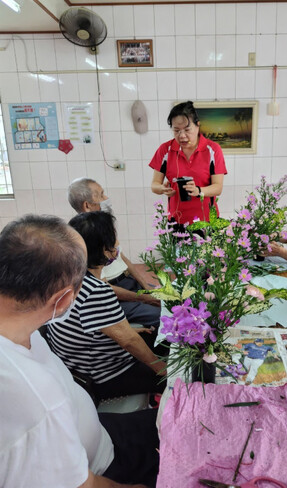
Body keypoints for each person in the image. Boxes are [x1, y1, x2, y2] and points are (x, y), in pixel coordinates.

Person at [0, 214, 159, 488]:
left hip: (99, 429)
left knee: (170, 420)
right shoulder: (35, 398)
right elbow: (83, 484)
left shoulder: (21, 323)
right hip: (106, 465)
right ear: (63, 301)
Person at [47, 211, 167, 402]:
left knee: (158, 337)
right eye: (114, 239)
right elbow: (128, 342)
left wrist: (134, 325)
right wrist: (162, 368)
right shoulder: (95, 290)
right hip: (103, 375)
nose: (118, 244)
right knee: (178, 375)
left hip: (78, 363)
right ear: (105, 249)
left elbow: (93, 326)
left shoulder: (67, 276)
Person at [68, 177, 160, 327]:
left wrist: (145, 286)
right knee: (163, 315)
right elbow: (104, 288)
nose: (106, 198)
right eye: (101, 194)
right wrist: (143, 298)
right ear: (87, 205)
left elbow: (123, 258)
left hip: (130, 283)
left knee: (172, 300)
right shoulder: (84, 237)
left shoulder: (103, 226)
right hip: (116, 294)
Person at [149, 101, 227, 226]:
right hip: (176, 221)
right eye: (176, 131)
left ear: (198, 126)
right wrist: (162, 188)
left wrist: (199, 191)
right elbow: (154, 185)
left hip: (207, 221)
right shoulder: (165, 150)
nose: (182, 136)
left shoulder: (212, 149)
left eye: (187, 129)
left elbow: (218, 188)